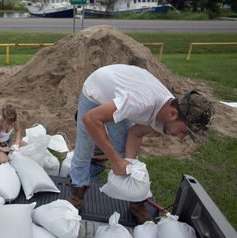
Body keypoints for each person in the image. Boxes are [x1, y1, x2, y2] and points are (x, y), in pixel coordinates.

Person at [69, 64, 214, 223]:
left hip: (122, 92)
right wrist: (115, 160)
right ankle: (77, 194)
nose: (181, 137)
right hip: (96, 90)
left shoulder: (164, 112)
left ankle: (136, 204)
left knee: (125, 152)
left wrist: (129, 163)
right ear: (173, 114)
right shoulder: (139, 103)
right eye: (184, 132)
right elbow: (90, 119)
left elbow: (135, 133)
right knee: (84, 149)